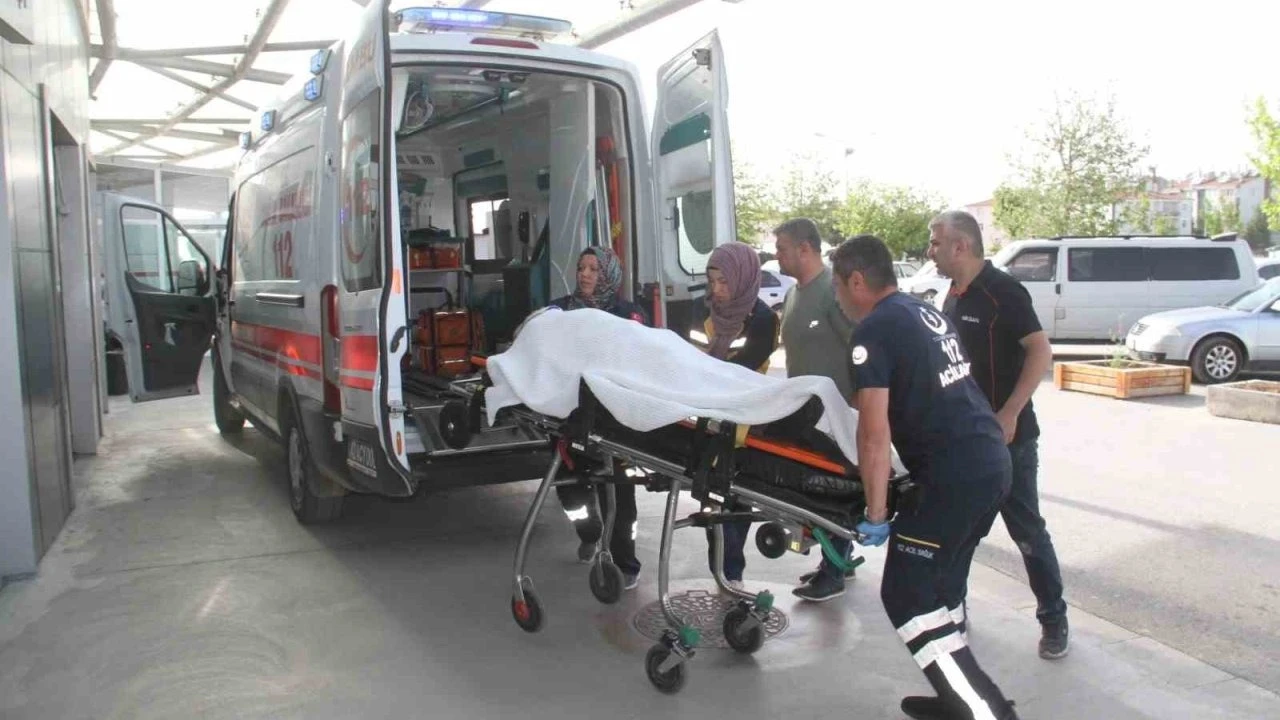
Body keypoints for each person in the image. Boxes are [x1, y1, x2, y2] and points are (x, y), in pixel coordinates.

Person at [832, 235, 1020, 720]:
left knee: (908, 596)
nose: (838, 298)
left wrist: (876, 512)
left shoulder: (873, 330)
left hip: (953, 476)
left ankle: (986, 712)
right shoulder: (920, 312)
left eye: (838, 287)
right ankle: (955, 697)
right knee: (943, 588)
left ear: (857, 281)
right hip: (989, 463)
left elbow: (873, 435)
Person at [929, 210, 1067, 660]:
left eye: (936, 242)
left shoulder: (1003, 291)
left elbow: (1040, 351)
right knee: (961, 530)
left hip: (1010, 441)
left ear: (961, 246)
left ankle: (1054, 619)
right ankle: (953, 611)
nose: (931, 251)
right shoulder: (953, 294)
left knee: (1027, 531)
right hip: (965, 440)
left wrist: (1010, 412)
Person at [772, 218, 860, 602]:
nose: (776, 256)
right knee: (816, 489)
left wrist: (858, 402)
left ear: (804, 249)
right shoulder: (794, 294)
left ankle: (833, 572)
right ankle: (838, 560)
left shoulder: (831, 292)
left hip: (835, 414)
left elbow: (858, 347)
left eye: (781, 249)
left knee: (829, 494)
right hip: (806, 414)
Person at [549, 246, 646, 589]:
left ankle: (625, 562)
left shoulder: (627, 314)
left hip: (613, 421)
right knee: (569, 489)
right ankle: (589, 532)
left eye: (594, 269)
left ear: (609, 275)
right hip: (570, 417)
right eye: (581, 267)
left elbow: (637, 359)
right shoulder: (560, 310)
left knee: (620, 496)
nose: (585, 274)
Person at [688, 241, 779, 591]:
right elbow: (688, 357)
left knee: (736, 502)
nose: (716, 290)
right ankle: (721, 570)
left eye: (724, 281)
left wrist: (705, 370)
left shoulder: (764, 320)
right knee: (711, 504)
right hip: (705, 422)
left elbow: (742, 370)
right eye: (712, 281)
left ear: (743, 278)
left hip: (744, 428)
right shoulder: (701, 310)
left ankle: (732, 573)